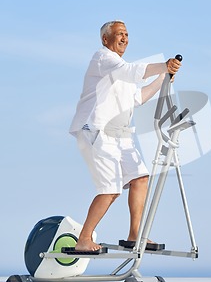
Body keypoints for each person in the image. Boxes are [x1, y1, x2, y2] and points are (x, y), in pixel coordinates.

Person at [69, 20, 181, 252]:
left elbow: (138, 98)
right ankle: (84, 239)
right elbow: (132, 73)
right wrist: (163, 65)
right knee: (110, 189)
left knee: (140, 178)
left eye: (127, 34)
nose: (124, 38)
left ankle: (135, 235)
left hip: (120, 136)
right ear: (105, 39)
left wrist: (164, 76)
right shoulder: (103, 59)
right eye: (119, 34)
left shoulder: (120, 70)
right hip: (96, 131)